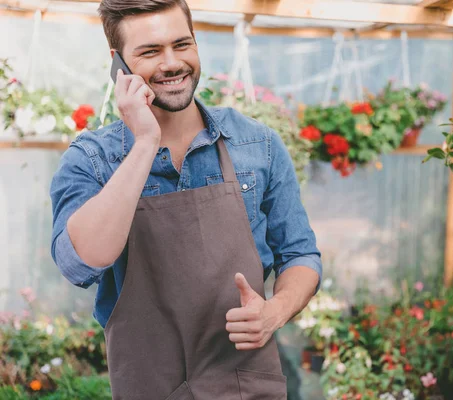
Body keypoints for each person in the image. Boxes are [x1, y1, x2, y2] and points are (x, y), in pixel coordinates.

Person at [49, 0, 322, 398]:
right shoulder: (93, 158)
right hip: (147, 385)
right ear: (118, 64)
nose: (172, 62)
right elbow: (81, 262)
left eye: (182, 44)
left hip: (244, 383)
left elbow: (300, 254)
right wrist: (144, 143)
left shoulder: (256, 144)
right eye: (149, 51)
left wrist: (273, 312)